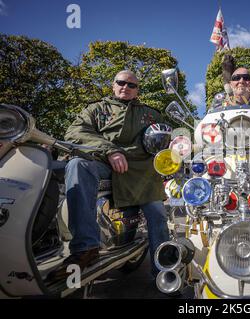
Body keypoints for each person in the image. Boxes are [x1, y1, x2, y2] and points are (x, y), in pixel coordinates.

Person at [48, 70, 170, 281]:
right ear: (113, 85)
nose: (125, 87)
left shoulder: (151, 114)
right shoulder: (96, 109)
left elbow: (164, 141)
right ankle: (86, 248)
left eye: (131, 85)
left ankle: (164, 272)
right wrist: (110, 150)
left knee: (157, 213)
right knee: (77, 165)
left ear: (137, 90)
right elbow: (75, 132)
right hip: (104, 162)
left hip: (141, 173)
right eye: (121, 82)